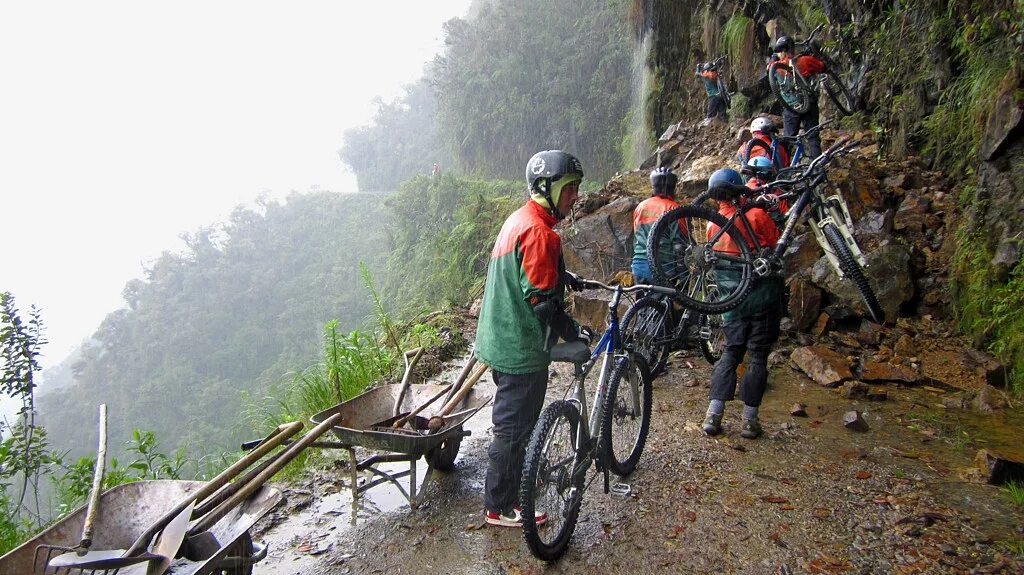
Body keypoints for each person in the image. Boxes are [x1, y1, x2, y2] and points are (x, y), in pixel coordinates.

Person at [475, 149, 590, 527]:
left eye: (576, 188)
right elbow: (541, 303)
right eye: (569, 189)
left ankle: (510, 488)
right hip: (520, 346)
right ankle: (501, 506)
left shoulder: (521, 219)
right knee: (513, 427)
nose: (575, 197)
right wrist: (572, 332)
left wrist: (564, 278)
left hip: (499, 336)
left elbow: (528, 270)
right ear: (546, 188)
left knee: (515, 422)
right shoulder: (541, 233)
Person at [701, 168, 784, 440]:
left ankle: (713, 415)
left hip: (732, 301)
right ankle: (749, 422)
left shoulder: (713, 224)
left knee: (731, 352)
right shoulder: (757, 215)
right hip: (763, 298)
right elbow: (774, 243)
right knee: (758, 355)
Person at [770, 35, 825, 158]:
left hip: (791, 107)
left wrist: (773, 60)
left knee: (788, 139)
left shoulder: (776, 67)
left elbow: (770, 74)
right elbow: (822, 67)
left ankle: (784, 170)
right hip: (809, 104)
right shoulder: (805, 60)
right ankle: (818, 168)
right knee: (812, 136)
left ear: (781, 52)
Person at [631, 166, 681, 284]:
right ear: (672, 188)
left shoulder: (640, 207)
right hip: (663, 267)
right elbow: (679, 243)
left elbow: (636, 236)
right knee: (662, 302)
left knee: (642, 301)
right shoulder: (674, 208)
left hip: (638, 266)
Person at [742, 155, 789, 228]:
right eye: (769, 173)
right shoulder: (769, 192)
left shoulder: (746, 189)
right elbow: (785, 212)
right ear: (765, 174)